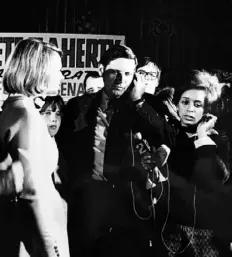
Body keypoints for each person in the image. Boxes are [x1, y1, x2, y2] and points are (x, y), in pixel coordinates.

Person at [57, 44, 174, 257]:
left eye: (128, 74)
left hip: (129, 204)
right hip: (88, 201)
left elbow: (166, 137)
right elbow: (64, 149)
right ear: (101, 69)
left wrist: (138, 102)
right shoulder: (78, 105)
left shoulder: (142, 106)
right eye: (115, 73)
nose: (121, 80)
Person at [143, 70, 231, 256]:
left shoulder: (219, 140)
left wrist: (201, 136)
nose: (190, 109)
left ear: (207, 110)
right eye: (185, 102)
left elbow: (213, 179)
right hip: (171, 232)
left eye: (197, 105)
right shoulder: (169, 137)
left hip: (207, 235)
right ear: (177, 105)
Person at [0, 38, 70, 257]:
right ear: (37, 71)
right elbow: (34, 194)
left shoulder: (14, 108)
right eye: (57, 69)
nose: (61, 76)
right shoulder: (26, 115)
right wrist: (53, 250)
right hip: (37, 236)